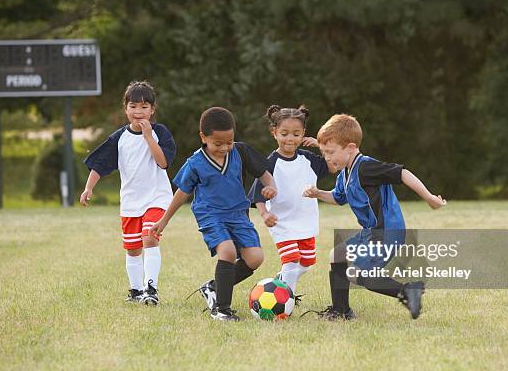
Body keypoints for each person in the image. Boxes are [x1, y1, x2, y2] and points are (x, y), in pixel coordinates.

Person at [303, 114, 446, 320]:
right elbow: (338, 198)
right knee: (337, 256)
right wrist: (318, 193)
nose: (326, 158)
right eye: (324, 152)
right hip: (371, 231)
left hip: (387, 230)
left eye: (330, 152)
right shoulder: (345, 172)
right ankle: (341, 310)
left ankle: (408, 291)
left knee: (363, 276)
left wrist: (430, 198)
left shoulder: (366, 167)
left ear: (350, 148)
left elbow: (402, 173)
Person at [150, 107, 277, 321]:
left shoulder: (241, 152)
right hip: (210, 214)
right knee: (226, 251)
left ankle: (213, 287)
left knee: (255, 258)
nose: (225, 148)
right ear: (203, 137)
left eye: (229, 142)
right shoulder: (195, 163)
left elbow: (264, 173)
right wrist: (163, 221)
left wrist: (271, 187)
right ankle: (222, 310)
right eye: (218, 144)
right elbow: (182, 193)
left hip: (238, 214)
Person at [80, 81, 176, 305]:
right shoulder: (119, 138)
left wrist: (149, 137)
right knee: (133, 249)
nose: (138, 112)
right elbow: (100, 164)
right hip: (131, 201)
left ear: (152, 110)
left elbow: (163, 163)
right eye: (133, 106)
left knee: (150, 239)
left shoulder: (160, 133)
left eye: (144, 107)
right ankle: (135, 292)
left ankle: (150, 289)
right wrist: (88, 187)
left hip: (157, 197)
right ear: (126, 109)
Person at [249, 105, 328, 298]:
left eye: (296, 133)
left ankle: (282, 280)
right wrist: (265, 213)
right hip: (281, 221)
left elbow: (333, 165)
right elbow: (256, 194)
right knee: (292, 259)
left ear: (303, 134)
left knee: (306, 262)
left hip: (305, 220)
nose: (290, 139)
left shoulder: (309, 159)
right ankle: (287, 297)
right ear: (274, 132)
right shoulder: (269, 163)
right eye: (284, 133)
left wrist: (321, 145)